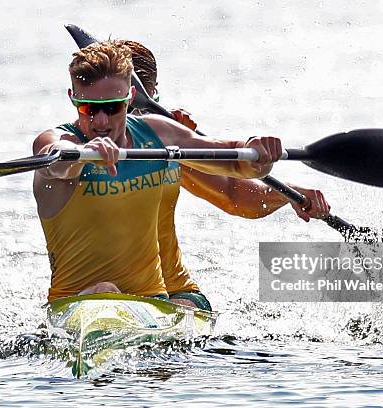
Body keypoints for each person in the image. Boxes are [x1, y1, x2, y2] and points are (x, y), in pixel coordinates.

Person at [33, 41, 283, 305]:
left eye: (113, 107)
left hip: (157, 303)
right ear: (73, 98)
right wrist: (83, 152)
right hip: (78, 304)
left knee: (188, 305)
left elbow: (233, 161)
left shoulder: (158, 134)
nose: (101, 122)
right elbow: (56, 161)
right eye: (89, 109)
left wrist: (257, 153)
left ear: (130, 98)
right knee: (103, 290)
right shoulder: (57, 142)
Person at [119, 40, 331, 310]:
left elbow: (235, 196)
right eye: (98, 108)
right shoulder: (70, 147)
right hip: (93, 293)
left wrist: (289, 195)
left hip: (170, 292)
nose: (116, 123)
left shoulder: (163, 144)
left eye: (139, 111)